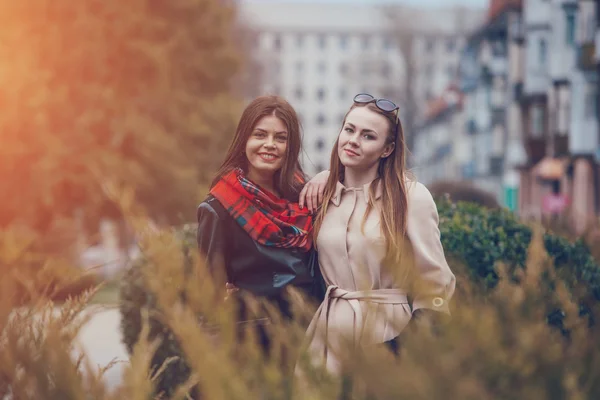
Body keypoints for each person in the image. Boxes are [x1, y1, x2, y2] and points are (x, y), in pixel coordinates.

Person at [302, 93, 456, 376]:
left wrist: (400, 348)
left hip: (385, 334)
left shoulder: (411, 198)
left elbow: (435, 287)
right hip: (326, 338)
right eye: (349, 130)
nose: (353, 140)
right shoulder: (322, 196)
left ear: (387, 149)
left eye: (368, 136)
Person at [197, 95, 324, 353]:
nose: (269, 145)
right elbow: (208, 294)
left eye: (280, 138)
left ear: (292, 146)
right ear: (244, 139)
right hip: (253, 344)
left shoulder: (307, 197)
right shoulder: (219, 207)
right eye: (260, 135)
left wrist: (329, 174)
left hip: (310, 334)